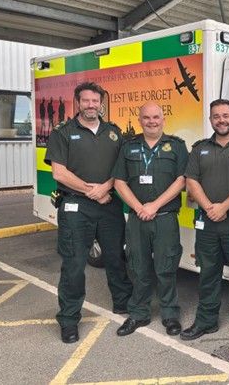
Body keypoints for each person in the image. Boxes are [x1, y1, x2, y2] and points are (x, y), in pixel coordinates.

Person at [45, 82, 132, 344]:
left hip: (109, 204)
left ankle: (123, 304)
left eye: (96, 101)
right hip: (76, 207)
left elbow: (120, 168)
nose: (92, 105)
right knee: (73, 264)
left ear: (101, 103)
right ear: (77, 102)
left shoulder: (114, 132)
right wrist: (89, 191)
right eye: (86, 101)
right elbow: (59, 173)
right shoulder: (63, 132)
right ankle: (69, 320)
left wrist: (105, 188)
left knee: (116, 258)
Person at [180, 99, 229, 346]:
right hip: (208, 223)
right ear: (210, 120)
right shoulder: (199, 148)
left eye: (225, 115)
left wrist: (223, 207)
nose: (221, 120)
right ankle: (206, 320)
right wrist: (209, 208)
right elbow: (191, 180)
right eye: (216, 116)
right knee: (208, 274)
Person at [112, 102, 188, 337]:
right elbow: (119, 181)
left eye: (156, 117)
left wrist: (154, 206)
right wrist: (138, 207)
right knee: (138, 267)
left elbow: (182, 180)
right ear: (140, 120)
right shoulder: (128, 147)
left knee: (166, 267)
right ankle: (138, 313)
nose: (152, 121)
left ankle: (170, 314)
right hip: (137, 219)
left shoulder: (176, 146)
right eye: (147, 117)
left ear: (163, 119)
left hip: (165, 218)